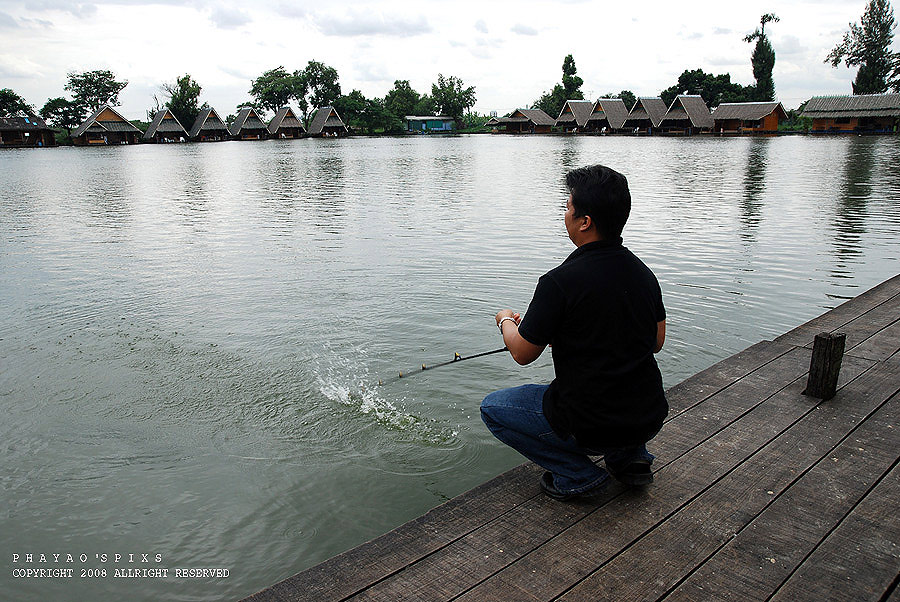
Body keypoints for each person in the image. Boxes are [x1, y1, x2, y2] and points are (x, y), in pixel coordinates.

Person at [481, 164, 667, 501]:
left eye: (568, 206)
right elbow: (655, 341)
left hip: (587, 422)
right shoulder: (643, 274)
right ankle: (629, 459)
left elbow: (523, 353)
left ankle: (578, 475)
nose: (565, 213)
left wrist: (505, 320)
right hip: (648, 414)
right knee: (623, 384)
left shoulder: (559, 282)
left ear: (585, 221)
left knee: (493, 408)